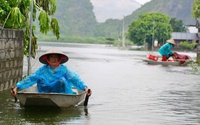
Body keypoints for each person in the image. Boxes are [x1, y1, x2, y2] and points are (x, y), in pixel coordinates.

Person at [11, 48, 92, 97]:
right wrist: (17, 87)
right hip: (45, 92)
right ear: (48, 59)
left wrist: (85, 88)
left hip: (61, 94)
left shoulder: (65, 70)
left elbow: (75, 79)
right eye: (51, 57)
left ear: (59, 59)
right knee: (40, 78)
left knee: (62, 80)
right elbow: (31, 78)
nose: (53, 59)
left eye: (55, 57)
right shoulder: (43, 69)